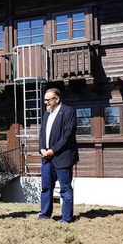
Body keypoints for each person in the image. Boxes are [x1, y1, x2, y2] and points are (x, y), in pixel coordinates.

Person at [38, 88, 78, 223]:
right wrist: (42, 149)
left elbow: (68, 135)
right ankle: (45, 214)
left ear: (57, 99)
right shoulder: (46, 114)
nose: (46, 103)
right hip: (47, 157)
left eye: (48, 100)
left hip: (62, 157)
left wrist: (53, 150)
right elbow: (42, 133)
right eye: (45, 100)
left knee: (65, 189)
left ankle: (66, 218)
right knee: (46, 187)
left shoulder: (68, 112)